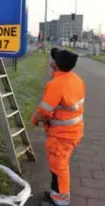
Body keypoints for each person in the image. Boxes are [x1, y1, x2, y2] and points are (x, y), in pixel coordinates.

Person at [31, 47, 85, 206]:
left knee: (59, 167)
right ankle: (56, 193)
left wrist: (35, 119)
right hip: (72, 132)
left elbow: (44, 112)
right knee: (59, 164)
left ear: (58, 64)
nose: (51, 61)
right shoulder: (77, 80)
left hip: (61, 135)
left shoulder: (56, 84)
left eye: (53, 59)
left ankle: (62, 200)